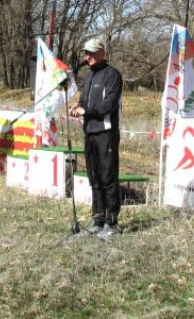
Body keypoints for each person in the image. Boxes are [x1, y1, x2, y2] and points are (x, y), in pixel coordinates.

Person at [69, 37, 123, 241]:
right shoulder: (89, 76)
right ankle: (98, 218)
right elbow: (84, 101)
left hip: (106, 133)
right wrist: (77, 107)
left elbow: (109, 105)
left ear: (103, 53)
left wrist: (87, 110)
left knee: (108, 177)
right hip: (89, 131)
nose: (87, 57)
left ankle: (112, 222)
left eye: (91, 53)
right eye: (85, 53)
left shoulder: (112, 75)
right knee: (94, 177)